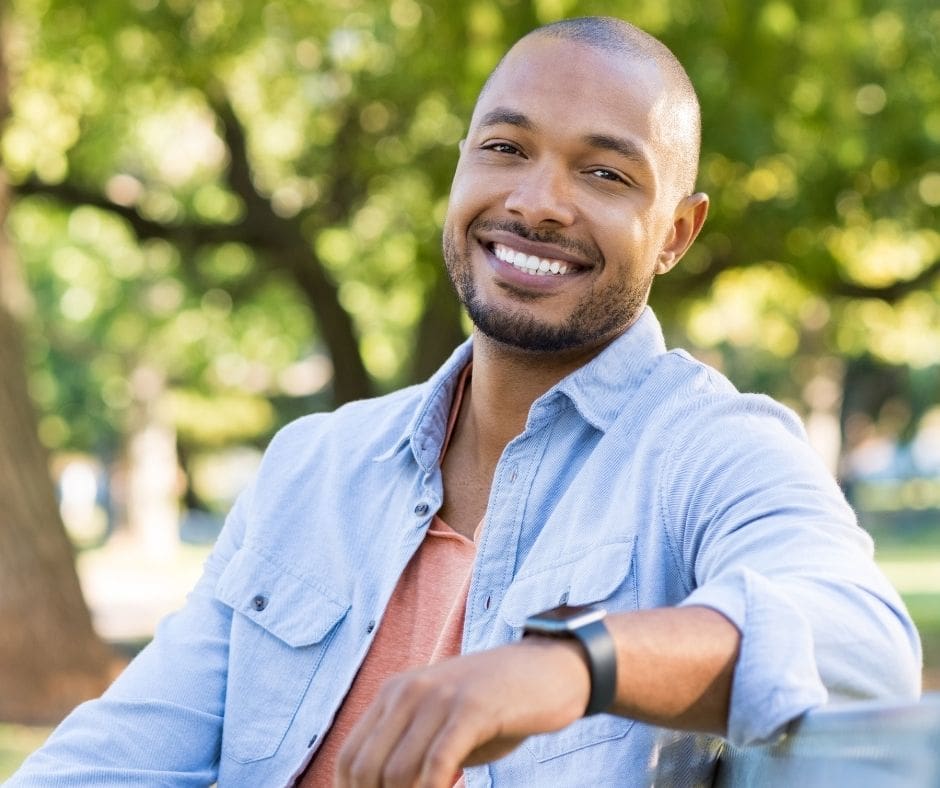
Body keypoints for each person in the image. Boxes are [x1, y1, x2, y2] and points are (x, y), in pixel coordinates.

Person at [10, 15, 921, 788]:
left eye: (605, 173)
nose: (538, 202)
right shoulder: (312, 466)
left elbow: (861, 644)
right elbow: (119, 756)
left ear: (677, 233)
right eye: (505, 149)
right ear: (459, 170)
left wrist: (573, 665)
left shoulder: (711, 450)